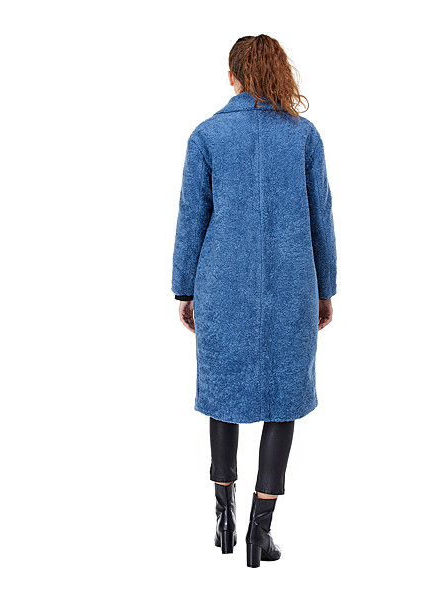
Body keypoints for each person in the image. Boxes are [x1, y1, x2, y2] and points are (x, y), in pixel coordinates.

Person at [171, 34, 337, 568]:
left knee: (222, 394)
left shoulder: (206, 135)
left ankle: (223, 518)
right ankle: (258, 533)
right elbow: (321, 218)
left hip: (221, 283)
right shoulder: (304, 136)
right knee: (283, 399)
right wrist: (325, 288)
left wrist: (184, 288)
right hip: (292, 285)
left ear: (232, 77)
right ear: (279, 73)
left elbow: (192, 217)